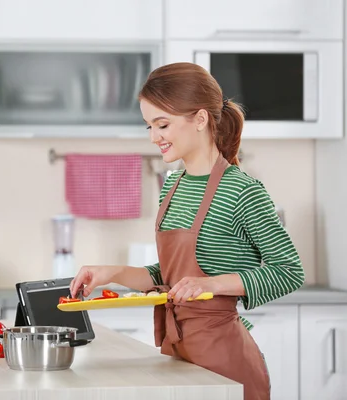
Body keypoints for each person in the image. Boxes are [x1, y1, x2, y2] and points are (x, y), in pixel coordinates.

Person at [69, 62, 304, 400]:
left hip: (225, 363)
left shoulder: (242, 191)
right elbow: (172, 279)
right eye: (149, 125)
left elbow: (289, 272)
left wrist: (210, 285)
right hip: (177, 355)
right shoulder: (172, 187)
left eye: (162, 124)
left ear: (200, 119)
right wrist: (112, 273)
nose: (154, 137)